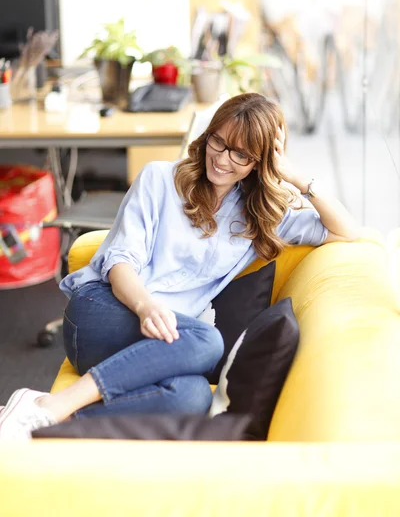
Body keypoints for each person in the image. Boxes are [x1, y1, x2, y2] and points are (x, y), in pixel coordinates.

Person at [0, 93, 359, 440]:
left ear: (259, 162)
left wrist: (295, 178)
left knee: (192, 397)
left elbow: (347, 232)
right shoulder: (159, 179)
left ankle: (41, 422)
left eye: (241, 154)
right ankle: (54, 403)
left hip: (164, 341)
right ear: (208, 137)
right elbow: (120, 261)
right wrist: (145, 306)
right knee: (207, 342)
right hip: (104, 311)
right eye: (218, 142)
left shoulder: (261, 216)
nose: (222, 158)